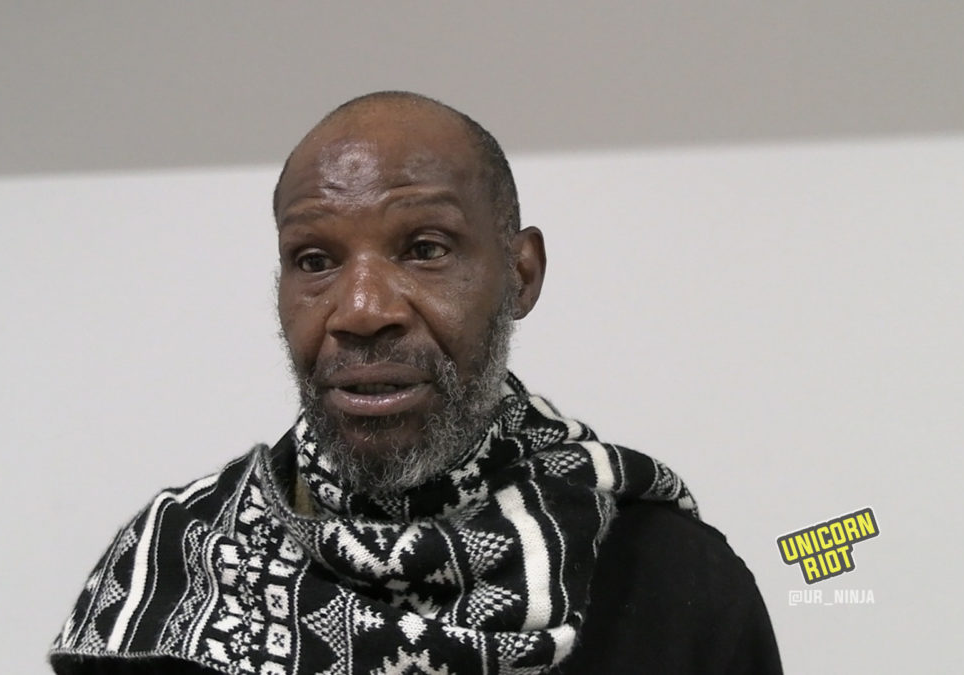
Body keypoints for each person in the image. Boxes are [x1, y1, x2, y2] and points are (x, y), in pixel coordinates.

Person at [48, 91, 782, 674]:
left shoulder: (670, 582)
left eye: (425, 249)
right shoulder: (172, 574)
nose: (362, 310)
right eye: (314, 261)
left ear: (520, 274)